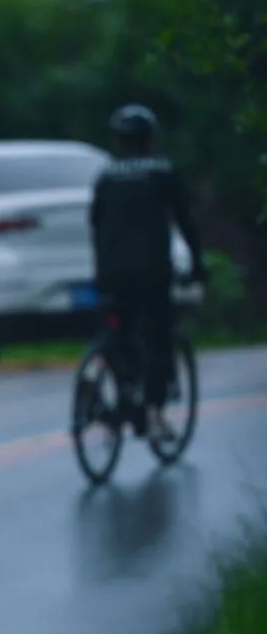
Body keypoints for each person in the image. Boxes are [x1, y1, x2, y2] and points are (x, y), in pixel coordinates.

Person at [90, 105, 207, 440]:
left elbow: (96, 225)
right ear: (150, 138)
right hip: (152, 270)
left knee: (117, 333)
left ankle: (117, 392)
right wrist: (197, 264)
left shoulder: (105, 176)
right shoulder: (162, 171)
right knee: (157, 338)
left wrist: (100, 271)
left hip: (112, 272)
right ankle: (155, 415)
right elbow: (185, 220)